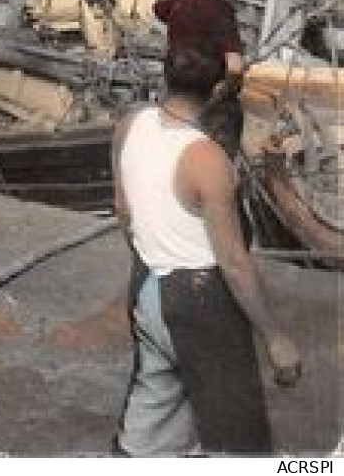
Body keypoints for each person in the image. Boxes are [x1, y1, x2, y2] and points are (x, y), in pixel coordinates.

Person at [112, 46, 301, 456]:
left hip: (146, 287)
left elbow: (123, 210)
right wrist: (275, 337)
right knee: (238, 433)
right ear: (218, 90)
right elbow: (234, 262)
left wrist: (153, 254)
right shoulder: (207, 158)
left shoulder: (131, 124)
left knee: (154, 401)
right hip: (200, 300)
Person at [153, 0, 250, 159]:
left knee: (173, 152)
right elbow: (235, 67)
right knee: (216, 157)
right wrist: (221, 93)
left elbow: (159, 9)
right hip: (207, 100)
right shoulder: (222, 12)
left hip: (175, 92)